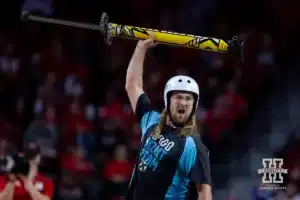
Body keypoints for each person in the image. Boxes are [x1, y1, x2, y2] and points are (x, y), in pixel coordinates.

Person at [125, 32, 212, 200]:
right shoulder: (151, 120)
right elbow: (132, 85)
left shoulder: (194, 146)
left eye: (188, 99)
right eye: (178, 97)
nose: (184, 102)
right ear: (167, 100)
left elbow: (204, 193)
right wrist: (140, 48)